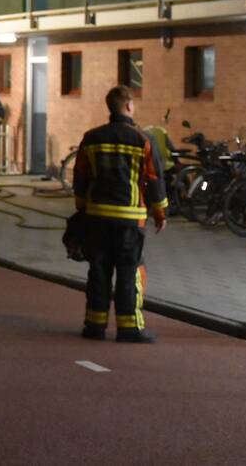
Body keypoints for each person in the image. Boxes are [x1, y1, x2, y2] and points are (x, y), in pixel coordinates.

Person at [73, 85, 167, 343]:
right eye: (133, 104)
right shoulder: (143, 140)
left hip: (97, 218)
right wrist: (160, 212)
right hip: (129, 219)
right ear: (128, 106)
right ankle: (129, 328)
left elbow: (80, 176)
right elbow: (154, 178)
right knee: (130, 272)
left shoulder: (91, 138)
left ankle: (94, 325)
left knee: (99, 271)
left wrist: (81, 207)